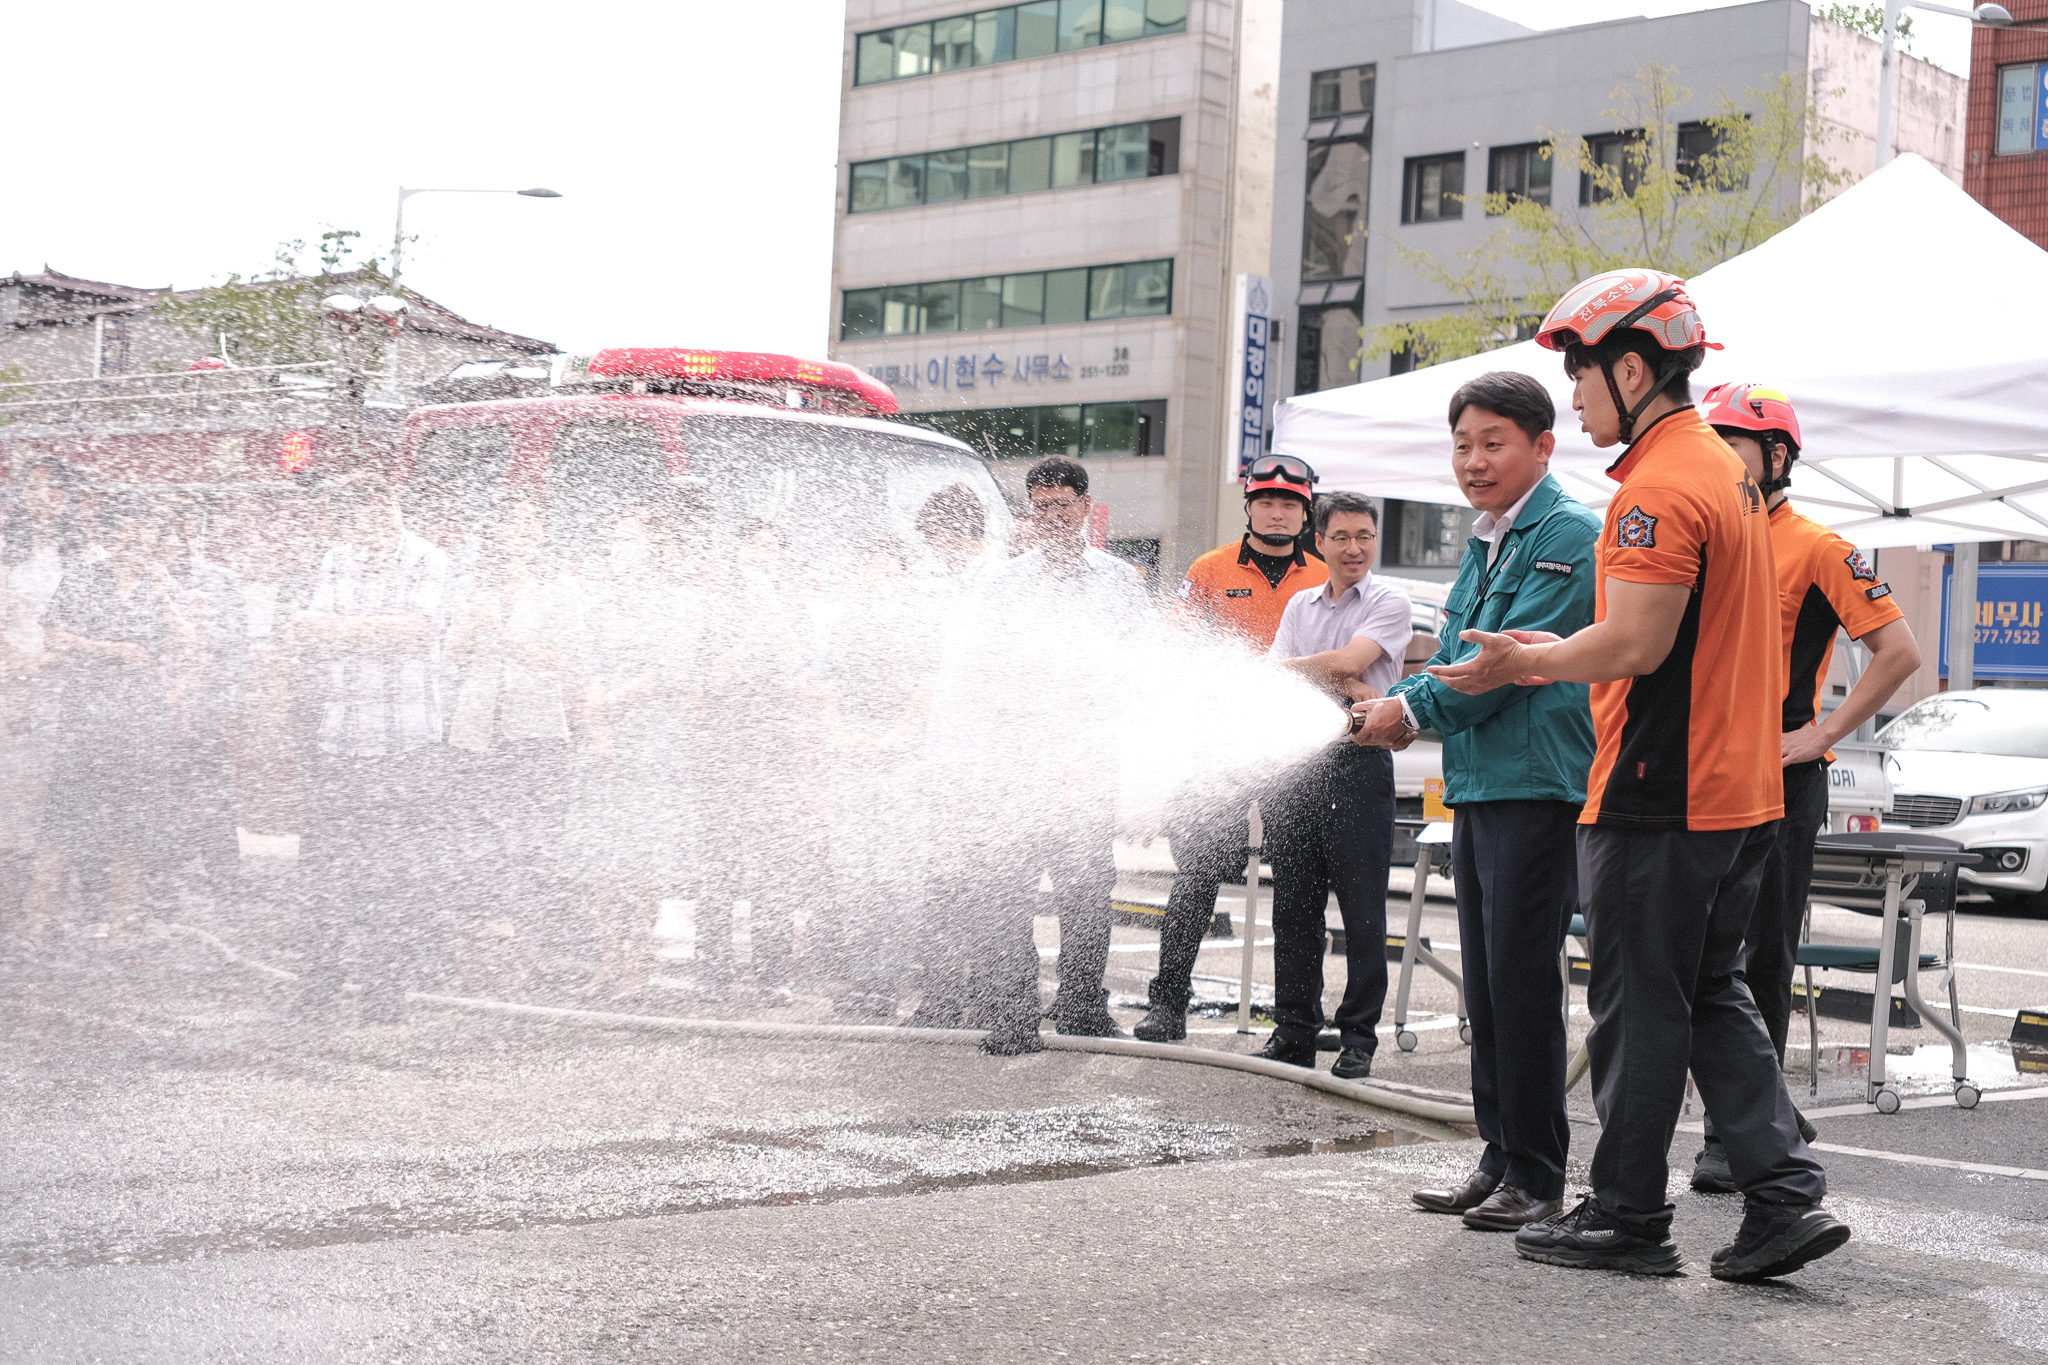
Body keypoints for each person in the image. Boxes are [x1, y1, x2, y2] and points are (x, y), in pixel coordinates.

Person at [1429, 268, 1848, 1282]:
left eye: (1579, 378)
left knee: (1639, 1003)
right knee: (1707, 994)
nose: (1572, 402)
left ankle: (1625, 1213)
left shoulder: (1657, 486)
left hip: (1663, 784)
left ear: (1629, 367)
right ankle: (1783, 1196)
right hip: (1737, 785)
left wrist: (1516, 657)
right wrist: (1543, 642)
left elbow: (1632, 645)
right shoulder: (1722, 470)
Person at [1352, 373, 1599, 1230]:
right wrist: (1405, 706)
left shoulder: (1568, 534)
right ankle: (1499, 1157)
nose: (1473, 460)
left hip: (1537, 783)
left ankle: (1537, 1171)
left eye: (1494, 442)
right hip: (1483, 782)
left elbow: (1497, 669)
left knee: (1525, 985)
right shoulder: (1485, 540)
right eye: (1462, 444)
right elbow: (1459, 652)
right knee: (1490, 988)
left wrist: (1408, 707)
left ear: (1542, 446)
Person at [1687, 381, 1921, 1193]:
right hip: (1701, 771)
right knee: (1693, 953)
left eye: (1733, 443)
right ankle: (1760, 1108)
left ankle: (1733, 1136)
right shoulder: (1707, 533)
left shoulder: (1819, 545)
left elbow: (1899, 652)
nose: (1716, 457)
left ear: (1778, 455)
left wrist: (1821, 733)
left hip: (1782, 781)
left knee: (1756, 957)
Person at [929, 456, 1148, 1055]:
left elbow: (1136, 673)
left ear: (1084, 506)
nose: (1051, 516)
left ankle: (1081, 1008)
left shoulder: (1120, 582)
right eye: (1041, 506)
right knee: (1006, 891)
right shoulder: (1002, 583)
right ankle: (1013, 1014)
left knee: (1085, 893)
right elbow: (978, 671)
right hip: (1017, 766)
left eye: (1062, 505)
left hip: (1089, 765)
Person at [1135, 454, 1330, 1042]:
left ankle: (1297, 1021)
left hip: (1297, 754)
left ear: (1305, 513)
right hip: (1221, 746)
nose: (1277, 513)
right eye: (1267, 502)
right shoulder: (1210, 569)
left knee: (1299, 886)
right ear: (1249, 506)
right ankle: (1167, 1005)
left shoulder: (1323, 576)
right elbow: (1175, 649)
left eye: (1289, 504)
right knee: (1196, 877)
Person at [1256, 490, 1411, 1080]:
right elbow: (1290, 680)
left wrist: (1330, 670)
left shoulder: (1390, 602)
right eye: (1341, 537)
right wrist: (1341, 677)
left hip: (1359, 764)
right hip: (1297, 766)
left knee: (1363, 910)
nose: (1354, 548)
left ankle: (1358, 1038)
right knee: (1293, 909)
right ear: (1317, 542)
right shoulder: (1299, 604)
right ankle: (1294, 1030)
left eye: (1364, 537)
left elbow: (1352, 657)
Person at [289, 475, 452, 1024]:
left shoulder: (427, 560)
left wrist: (342, 630)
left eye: (383, 512)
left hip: (406, 745)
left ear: (396, 509)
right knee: (327, 871)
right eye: (362, 517)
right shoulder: (337, 557)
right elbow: (306, 631)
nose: (375, 525)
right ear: (349, 521)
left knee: (394, 875)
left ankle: (385, 998)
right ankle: (318, 991)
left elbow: (415, 634)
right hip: (341, 741)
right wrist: (366, 630)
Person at [21, 487, 196, 953]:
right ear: (111, 532)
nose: (136, 537)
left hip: (140, 720)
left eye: (146, 529)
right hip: (85, 716)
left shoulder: (163, 585)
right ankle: (40, 928)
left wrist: (163, 600)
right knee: (61, 823)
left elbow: (189, 645)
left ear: (157, 536)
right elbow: (55, 636)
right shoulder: (83, 577)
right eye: (127, 527)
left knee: (131, 826)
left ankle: (118, 928)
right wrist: (111, 651)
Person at [443, 494, 594, 991]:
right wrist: (469, 630)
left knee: (529, 844)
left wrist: (501, 634)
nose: (522, 530)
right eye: (512, 522)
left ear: (543, 534)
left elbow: (563, 660)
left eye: (532, 521)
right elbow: (453, 656)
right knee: (476, 844)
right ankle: (473, 953)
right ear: (497, 532)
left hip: (534, 728)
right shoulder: (474, 584)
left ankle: (523, 955)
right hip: (476, 727)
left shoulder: (560, 589)